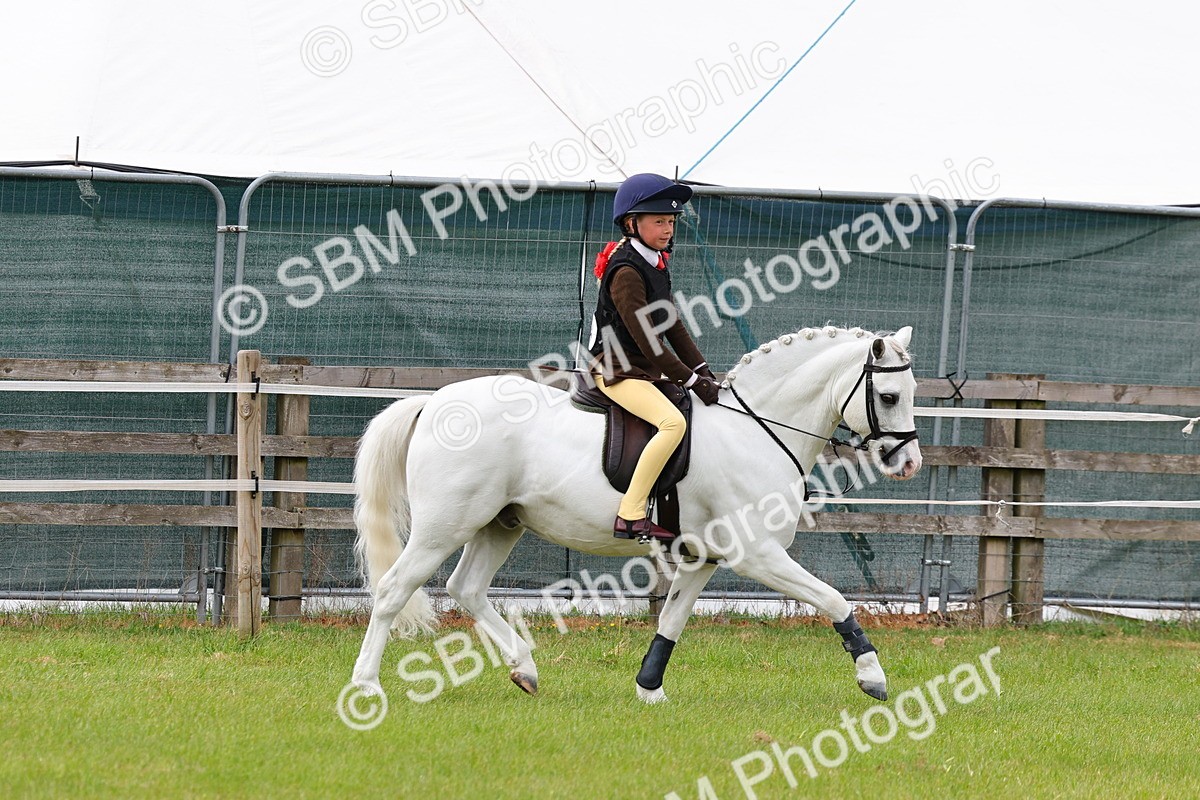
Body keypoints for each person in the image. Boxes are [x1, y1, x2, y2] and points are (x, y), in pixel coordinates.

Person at [588, 173, 721, 541]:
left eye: (671, 221)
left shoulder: (655, 262)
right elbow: (650, 343)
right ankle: (630, 514)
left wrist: (704, 371)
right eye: (659, 221)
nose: (667, 229)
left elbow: (672, 324)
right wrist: (691, 381)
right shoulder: (628, 272)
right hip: (618, 369)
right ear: (632, 223)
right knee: (672, 424)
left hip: (642, 368)